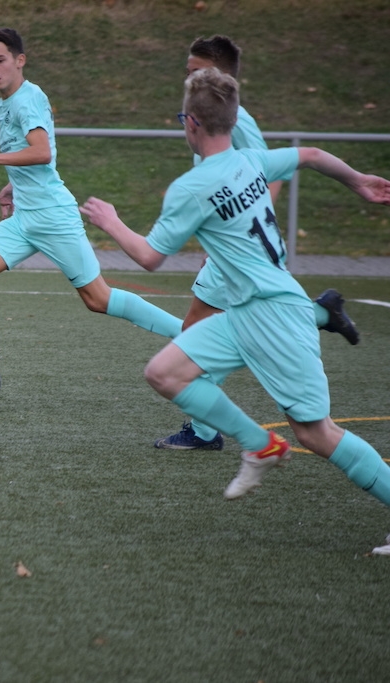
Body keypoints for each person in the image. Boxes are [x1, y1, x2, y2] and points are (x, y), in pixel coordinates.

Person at [79, 67, 390, 554]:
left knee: (317, 433)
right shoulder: (250, 160)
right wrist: (357, 182)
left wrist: (110, 220)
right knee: (164, 373)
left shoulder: (192, 187)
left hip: (275, 314)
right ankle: (261, 444)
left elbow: (150, 257)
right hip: (245, 312)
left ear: (191, 123)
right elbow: (309, 155)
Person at [0, 27, 182, 396]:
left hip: (52, 216)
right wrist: (14, 185)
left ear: (20, 60)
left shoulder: (27, 99)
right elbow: (36, 155)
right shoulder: (5, 105)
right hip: (25, 218)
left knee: (98, 298)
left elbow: (42, 151)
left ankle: (190, 333)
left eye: (0, 60)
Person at [155, 34, 360, 452]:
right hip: (234, 244)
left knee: (195, 336)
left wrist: (244, 228)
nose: (187, 78)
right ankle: (322, 313)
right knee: (198, 335)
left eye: (195, 72)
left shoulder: (237, 120)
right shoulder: (207, 119)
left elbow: (270, 172)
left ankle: (206, 432)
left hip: (241, 248)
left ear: (219, 75)